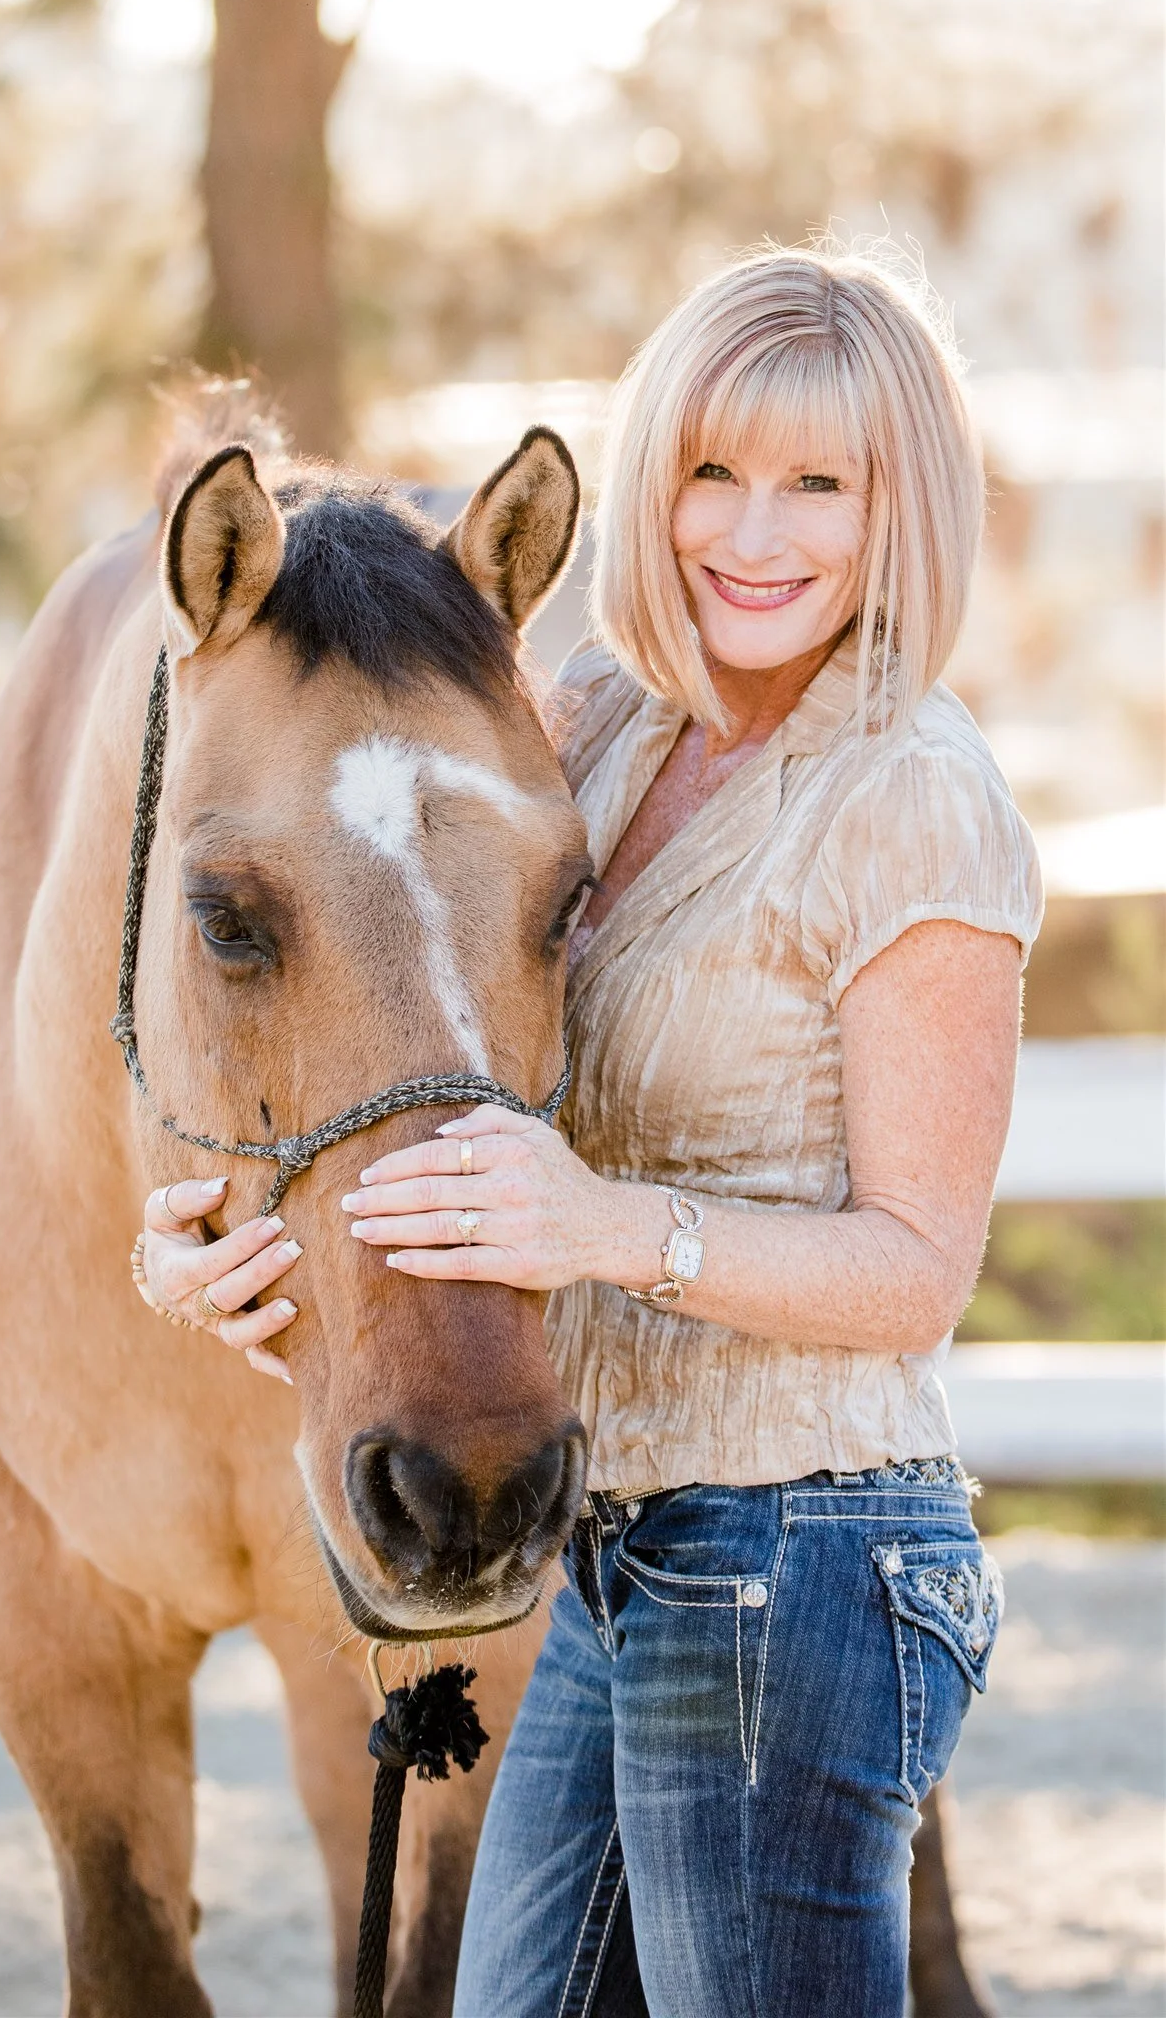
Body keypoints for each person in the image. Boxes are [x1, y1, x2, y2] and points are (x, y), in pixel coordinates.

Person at [139, 246, 1042, 2016]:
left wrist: (601, 1228)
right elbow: (432, 1045)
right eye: (711, 472)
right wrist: (241, 1246)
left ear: (899, 509)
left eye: (820, 483)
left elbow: (918, 1275)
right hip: (607, 1554)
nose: (752, 534)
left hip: (805, 1560)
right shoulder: (599, 740)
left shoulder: (916, 799)